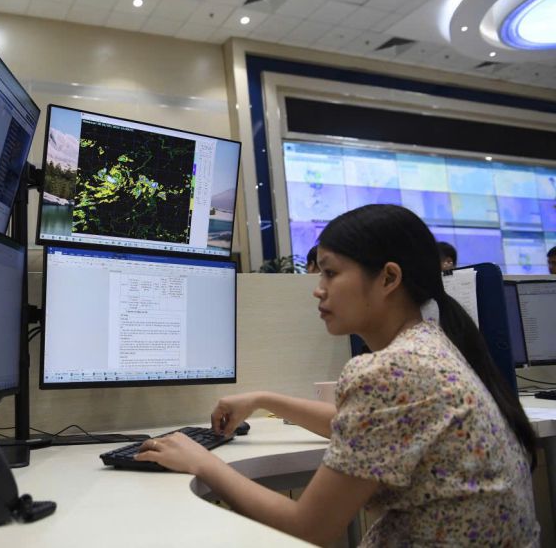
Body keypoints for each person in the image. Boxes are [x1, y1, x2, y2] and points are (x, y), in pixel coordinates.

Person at [136, 204, 538, 546]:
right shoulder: (430, 343)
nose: (318, 288)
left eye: (330, 273)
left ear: (388, 278)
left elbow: (309, 529)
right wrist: (263, 399)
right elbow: (370, 428)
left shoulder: (393, 369)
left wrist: (203, 463)